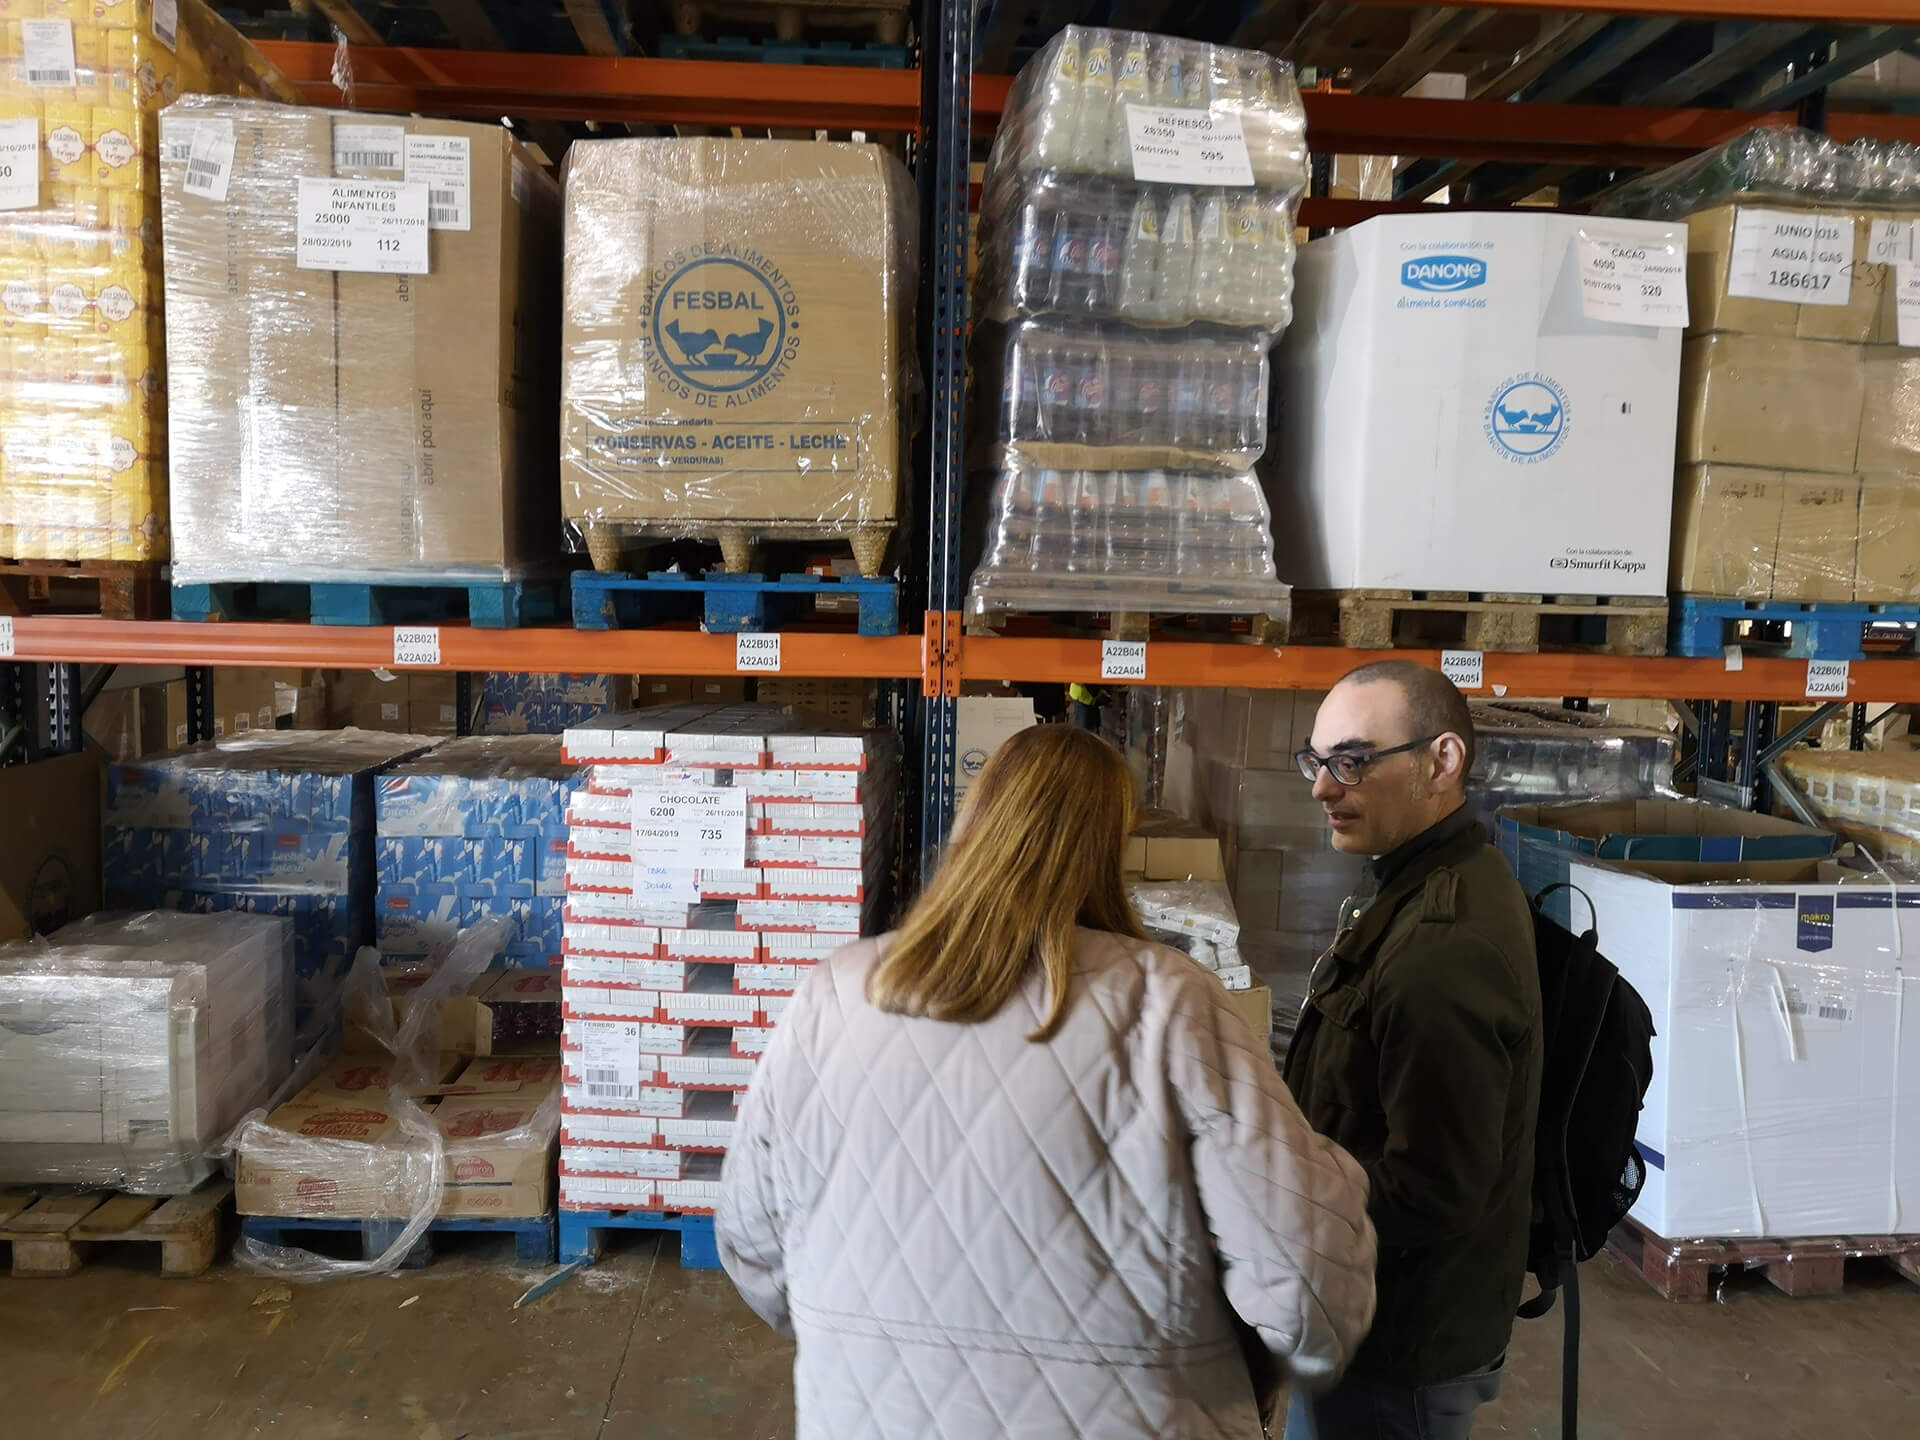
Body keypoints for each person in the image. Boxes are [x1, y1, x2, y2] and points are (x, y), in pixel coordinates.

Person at [718, 724, 1378, 1440]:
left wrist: (874, 1337)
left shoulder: (835, 995)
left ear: (977, 821)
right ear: (1109, 843)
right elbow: (1304, 1275)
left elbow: (754, 1245)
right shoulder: (1167, 1004)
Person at [1281, 660, 1542, 1440]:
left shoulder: (1442, 945)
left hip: (1397, 1352)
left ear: (1444, 761)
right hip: (1369, 1324)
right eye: (1317, 762)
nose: (1324, 788)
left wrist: (1278, 1200)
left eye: (1354, 762)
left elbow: (1434, 1190)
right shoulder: (1417, 885)